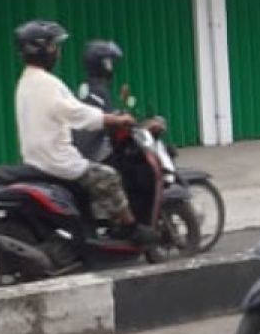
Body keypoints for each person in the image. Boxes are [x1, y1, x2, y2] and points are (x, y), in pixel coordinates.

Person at [13, 21, 155, 245]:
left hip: (36, 158)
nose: (58, 52)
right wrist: (115, 119)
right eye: (54, 47)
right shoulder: (48, 83)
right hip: (57, 160)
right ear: (43, 50)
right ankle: (130, 228)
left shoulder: (26, 81)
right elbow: (78, 114)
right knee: (108, 177)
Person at [73, 40, 124, 162]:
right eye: (111, 63)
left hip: (80, 152)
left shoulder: (84, 88)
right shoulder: (99, 91)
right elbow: (109, 122)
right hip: (94, 154)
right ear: (104, 64)